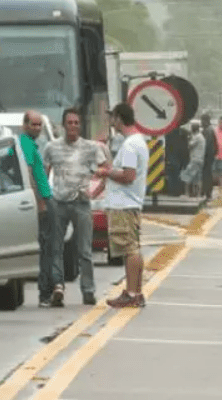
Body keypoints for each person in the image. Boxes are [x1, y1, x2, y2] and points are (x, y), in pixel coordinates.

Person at [43, 108, 109, 306]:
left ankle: (88, 290)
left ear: (80, 126)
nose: (72, 126)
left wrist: (95, 193)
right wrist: (46, 200)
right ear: (63, 125)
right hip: (59, 203)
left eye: (76, 123)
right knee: (56, 247)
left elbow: (106, 170)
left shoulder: (91, 148)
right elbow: (45, 175)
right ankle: (58, 287)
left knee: (85, 250)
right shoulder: (51, 147)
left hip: (81, 203)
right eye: (69, 123)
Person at [95, 103, 149, 308]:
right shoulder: (136, 142)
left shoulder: (129, 145)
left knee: (130, 249)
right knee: (132, 248)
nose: (111, 122)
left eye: (112, 118)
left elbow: (128, 176)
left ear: (118, 118)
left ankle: (133, 293)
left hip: (124, 204)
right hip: (129, 203)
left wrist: (106, 172)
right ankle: (133, 291)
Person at [20, 110, 61, 308]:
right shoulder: (25, 145)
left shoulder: (32, 145)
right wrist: (40, 203)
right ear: (24, 125)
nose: (36, 128)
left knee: (50, 247)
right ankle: (45, 293)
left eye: (39, 125)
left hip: (45, 198)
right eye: (33, 125)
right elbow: (29, 177)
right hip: (41, 203)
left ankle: (52, 287)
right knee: (46, 249)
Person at [180, 122, 205, 197]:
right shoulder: (201, 136)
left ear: (193, 129)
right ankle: (198, 194)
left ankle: (186, 194)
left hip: (195, 159)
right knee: (197, 179)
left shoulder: (197, 137)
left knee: (186, 176)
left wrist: (188, 138)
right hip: (200, 159)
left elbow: (190, 145)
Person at [200, 114, 217, 201]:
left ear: (205, 121)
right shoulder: (211, 130)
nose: (201, 122)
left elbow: (205, 145)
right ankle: (207, 193)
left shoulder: (207, 131)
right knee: (208, 175)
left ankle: (207, 193)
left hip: (206, 157)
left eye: (202, 120)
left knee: (206, 176)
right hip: (210, 157)